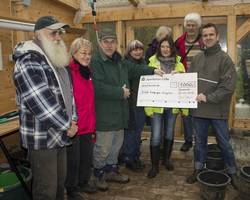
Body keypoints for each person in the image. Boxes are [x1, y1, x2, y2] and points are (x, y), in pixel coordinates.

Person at [91, 28, 164, 191]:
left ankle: (111, 170)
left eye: (112, 42)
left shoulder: (119, 61)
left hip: (121, 113)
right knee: (103, 148)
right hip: (105, 114)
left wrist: (153, 71)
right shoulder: (96, 61)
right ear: (100, 43)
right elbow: (97, 87)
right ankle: (98, 175)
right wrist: (120, 92)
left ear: (117, 44)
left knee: (116, 146)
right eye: (106, 42)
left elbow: (135, 69)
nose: (109, 46)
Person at [13, 16, 77, 200]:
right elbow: (43, 104)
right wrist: (68, 124)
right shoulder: (28, 61)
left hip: (60, 135)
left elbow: (69, 95)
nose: (58, 37)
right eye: (53, 33)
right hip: (42, 139)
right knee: (46, 192)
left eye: (60, 33)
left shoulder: (55, 61)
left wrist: (73, 120)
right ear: (38, 35)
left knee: (58, 187)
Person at [186, 23, 238, 186]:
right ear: (202, 38)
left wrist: (208, 97)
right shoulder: (197, 58)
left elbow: (228, 88)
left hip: (217, 111)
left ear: (217, 37)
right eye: (205, 35)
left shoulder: (225, 59)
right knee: (199, 143)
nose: (207, 38)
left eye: (211, 35)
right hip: (199, 111)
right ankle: (198, 168)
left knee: (224, 144)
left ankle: (232, 172)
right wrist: (177, 78)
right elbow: (189, 81)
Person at [145, 36, 188, 178]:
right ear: (159, 48)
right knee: (156, 135)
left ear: (172, 49)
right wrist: (148, 108)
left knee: (169, 133)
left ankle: (166, 160)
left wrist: (180, 75)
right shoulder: (151, 63)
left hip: (172, 107)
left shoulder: (179, 64)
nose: (165, 49)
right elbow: (146, 86)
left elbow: (186, 87)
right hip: (156, 107)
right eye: (163, 46)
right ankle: (154, 165)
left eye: (168, 47)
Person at [65, 38, 97, 199]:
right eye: (83, 53)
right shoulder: (68, 72)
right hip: (75, 125)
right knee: (73, 160)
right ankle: (72, 189)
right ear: (74, 53)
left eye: (89, 53)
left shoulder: (88, 72)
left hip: (88, 123)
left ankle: (84, 182)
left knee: (86, 157)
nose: (87, 56)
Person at [175, 12, 204, 152]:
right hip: (184, 81)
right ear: (185, 26)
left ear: (198, 27)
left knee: (200, 112)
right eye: (188, 25)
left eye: (193, 25)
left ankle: (199, 140)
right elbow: (172, 59)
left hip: (200, 80)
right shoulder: (179, 41)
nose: (191, 28)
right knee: (186, 114)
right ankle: (188, 140)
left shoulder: (203, 41)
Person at [119, 40, 146, 172]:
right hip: (130, 104)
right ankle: (129, 159)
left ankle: (136, 156)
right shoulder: (126, 64)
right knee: (131, 133)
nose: (138, 52)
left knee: (138, 132)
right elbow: (136, 71)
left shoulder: (144, 63)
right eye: (134, 49)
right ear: (129, 51)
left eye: (140, 49)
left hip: (141, 104)